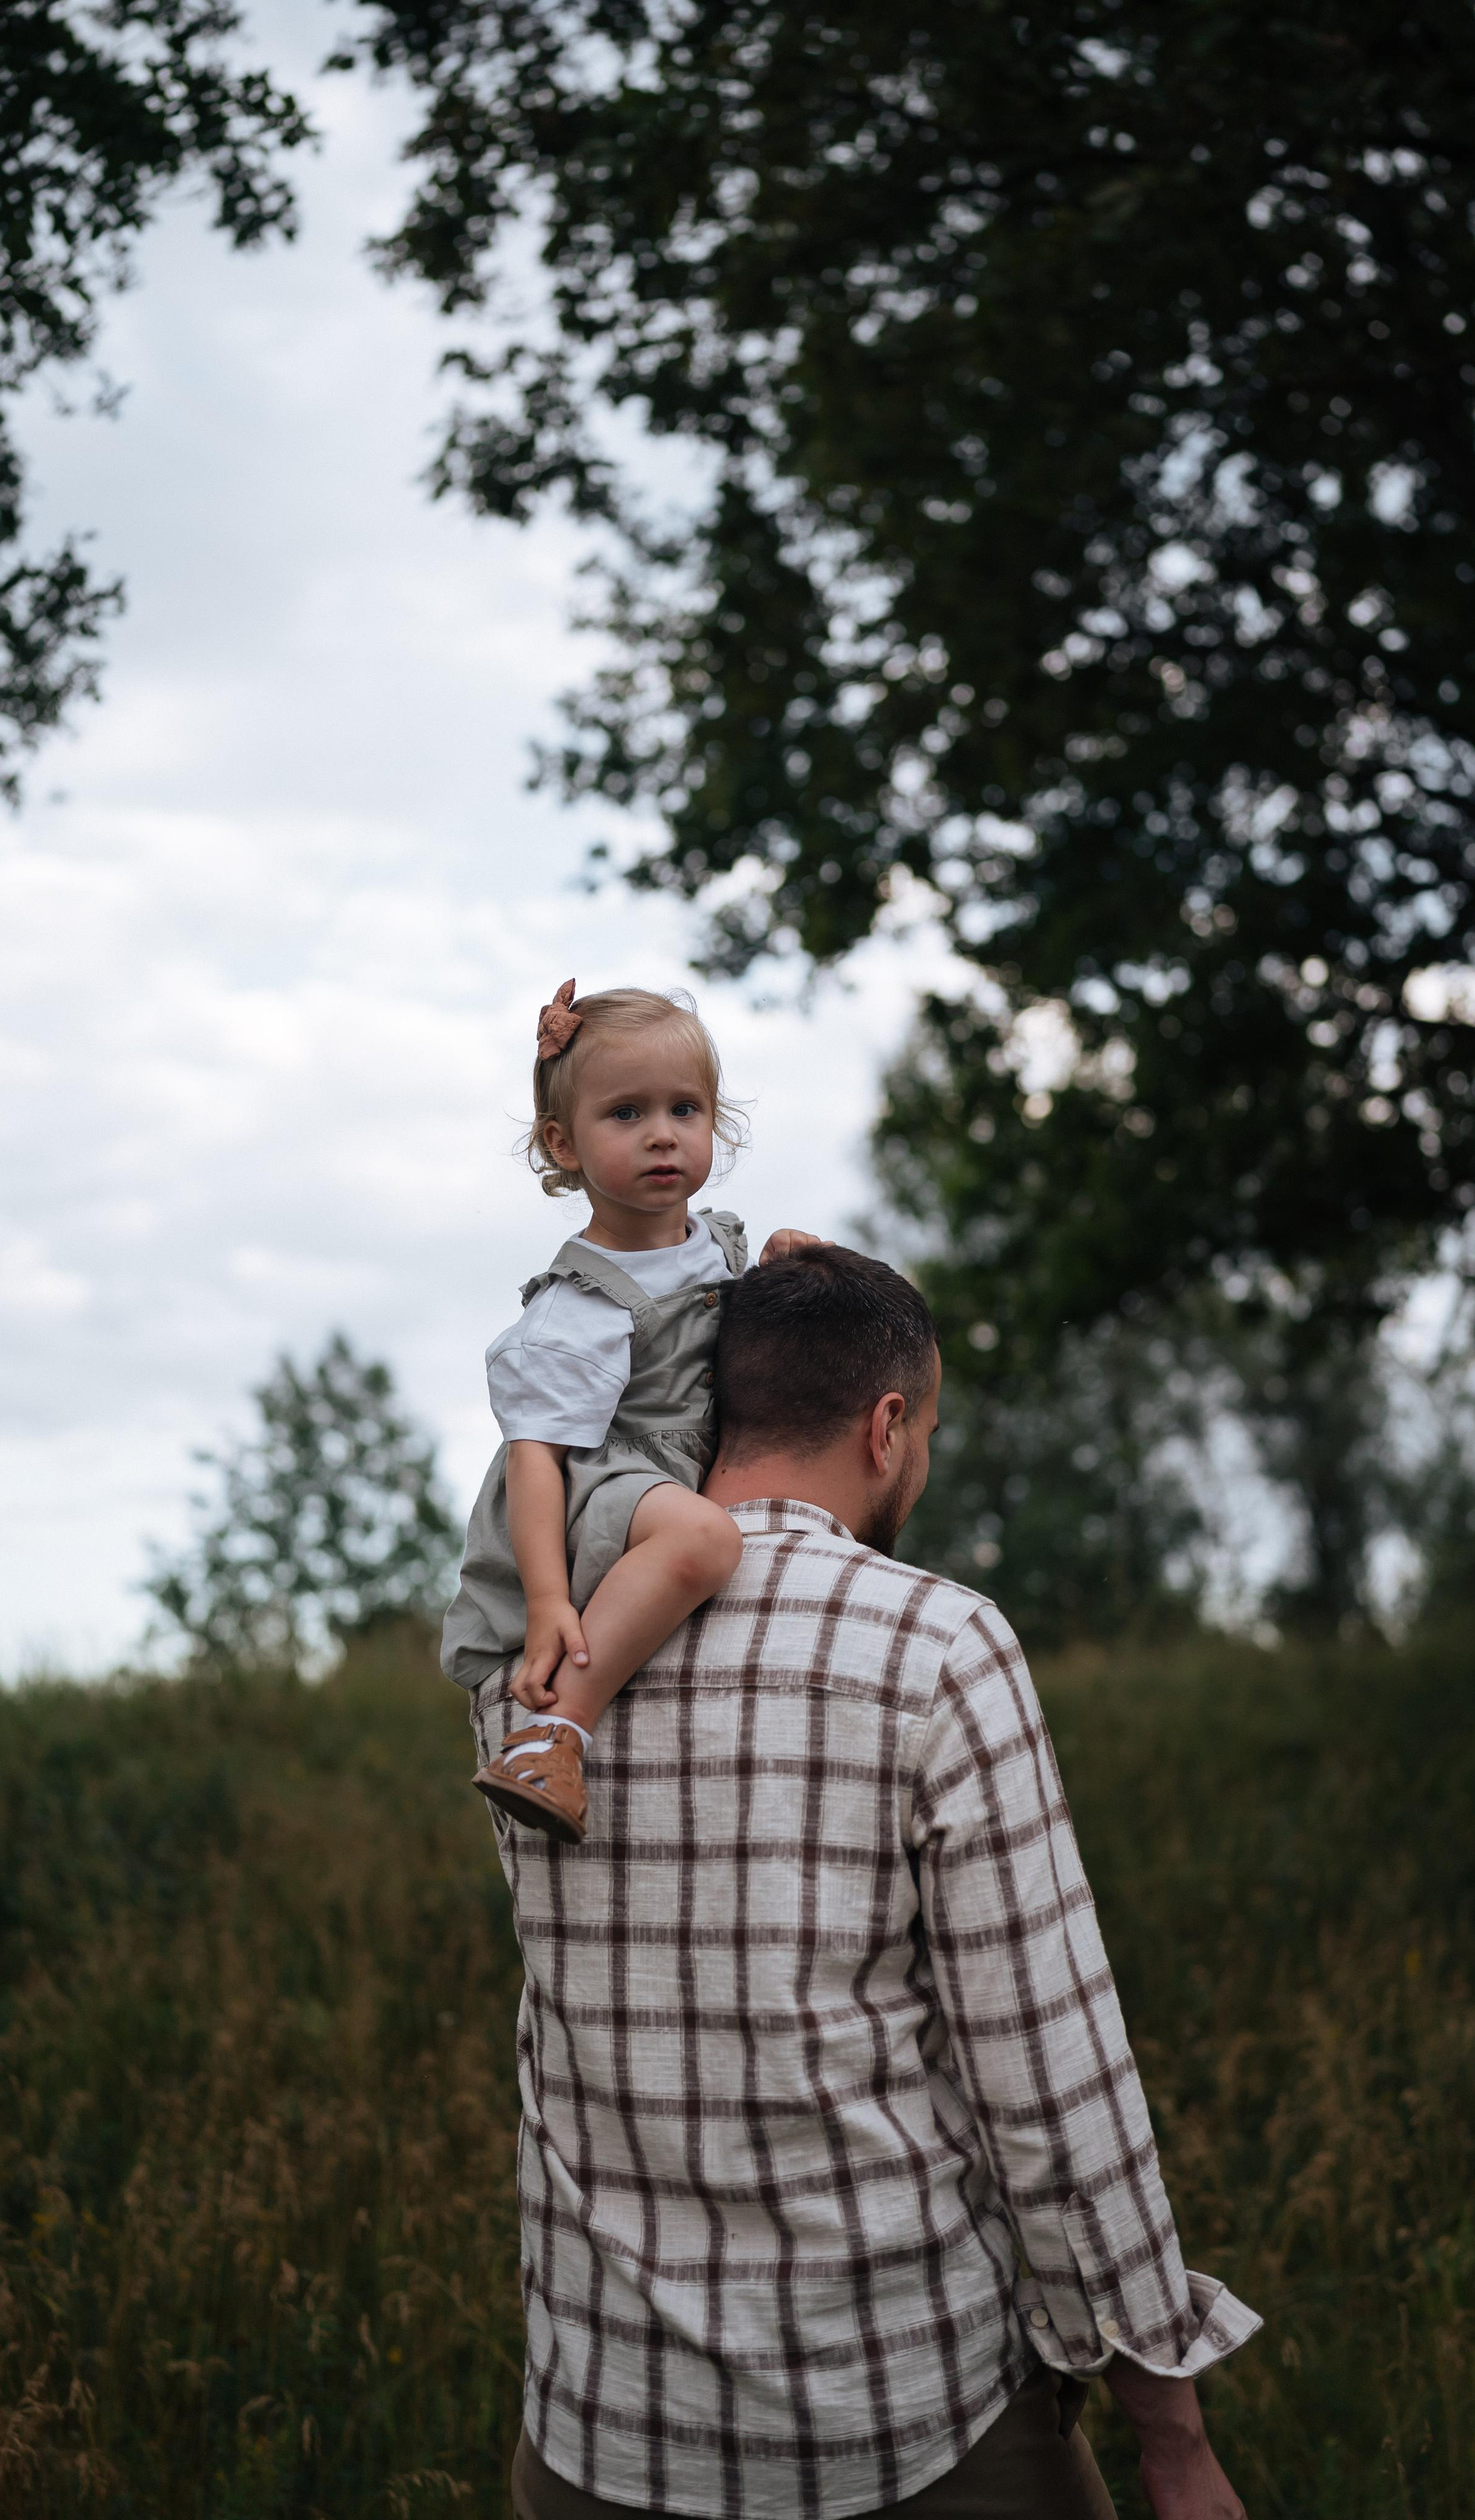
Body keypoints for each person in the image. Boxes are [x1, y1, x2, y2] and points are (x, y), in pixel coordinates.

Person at [459, 1244, 1260, 2520]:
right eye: (923, 1428)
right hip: (899, 2428)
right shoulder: (933, 1643)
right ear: (885, 1428)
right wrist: (1165, 2428)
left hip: (599, 2433)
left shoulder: (534, 1666)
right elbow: (1048, 2077)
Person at [443, 979, 822, 1844]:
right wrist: (548, 1598)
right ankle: (552, 1737)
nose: (662, 1133)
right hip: (598, 1483)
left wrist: (786, 1269)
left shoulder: (715, 1246)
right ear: (563, 1144)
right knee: (707, 1541)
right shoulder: (577, 1310)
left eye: (685, 1108)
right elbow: (536, 1457)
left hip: (674, 1473)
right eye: (625, 1114)